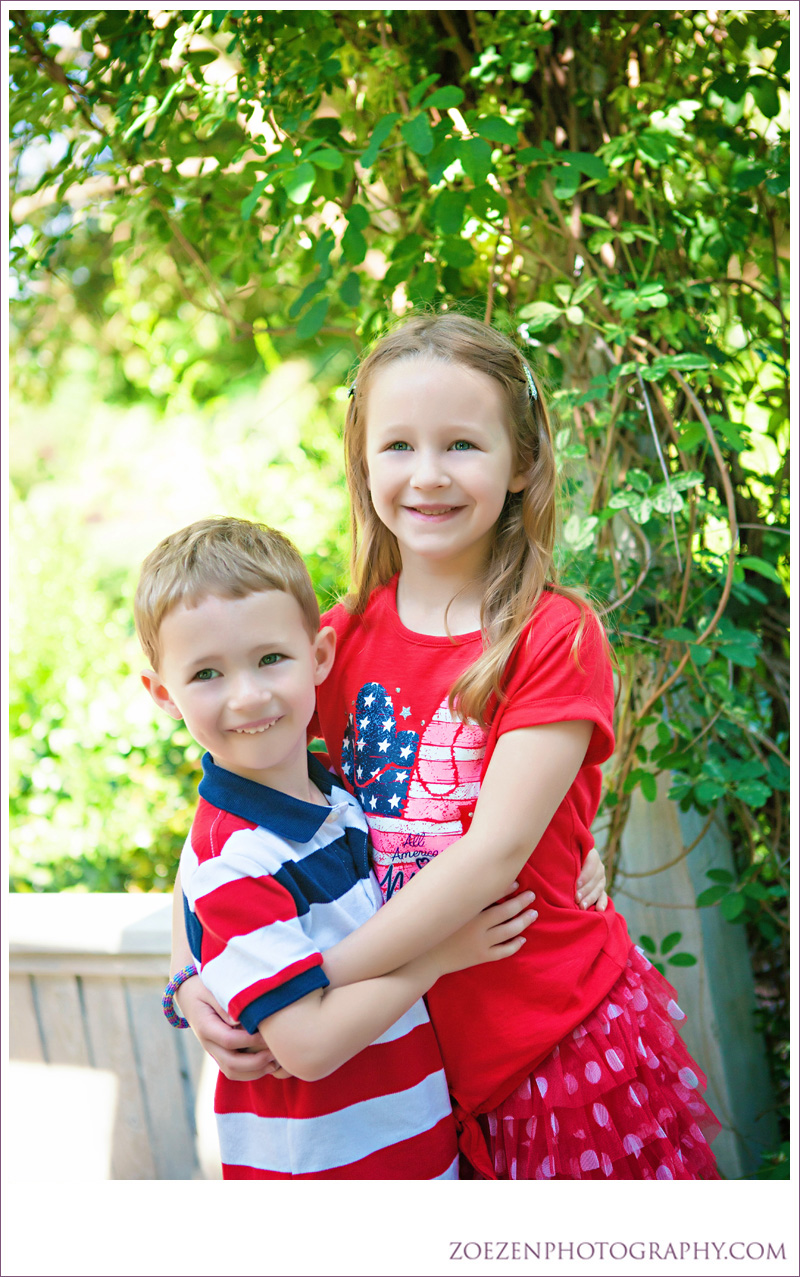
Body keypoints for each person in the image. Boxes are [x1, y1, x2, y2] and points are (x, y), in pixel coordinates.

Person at [175, 313, 720, 1180]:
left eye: (462, 444)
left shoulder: (551, 634)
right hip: (404, 1075)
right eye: (398, 446)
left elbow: (495, 852)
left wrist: (305, 981)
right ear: (363, 464)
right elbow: (229, 810)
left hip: (552, 1049)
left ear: (522, 463)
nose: (427, 476)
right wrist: (198, 977)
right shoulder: (331, 642)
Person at [135, 516, 536, 1179]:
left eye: (271, 658)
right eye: (206, 673)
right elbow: (309, 1046)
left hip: (408, 1147)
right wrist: (438, 956)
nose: (248, 694)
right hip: (326, 1174)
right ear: (162, 694)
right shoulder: (235, 860)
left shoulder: (338, 798)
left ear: (321, 656)